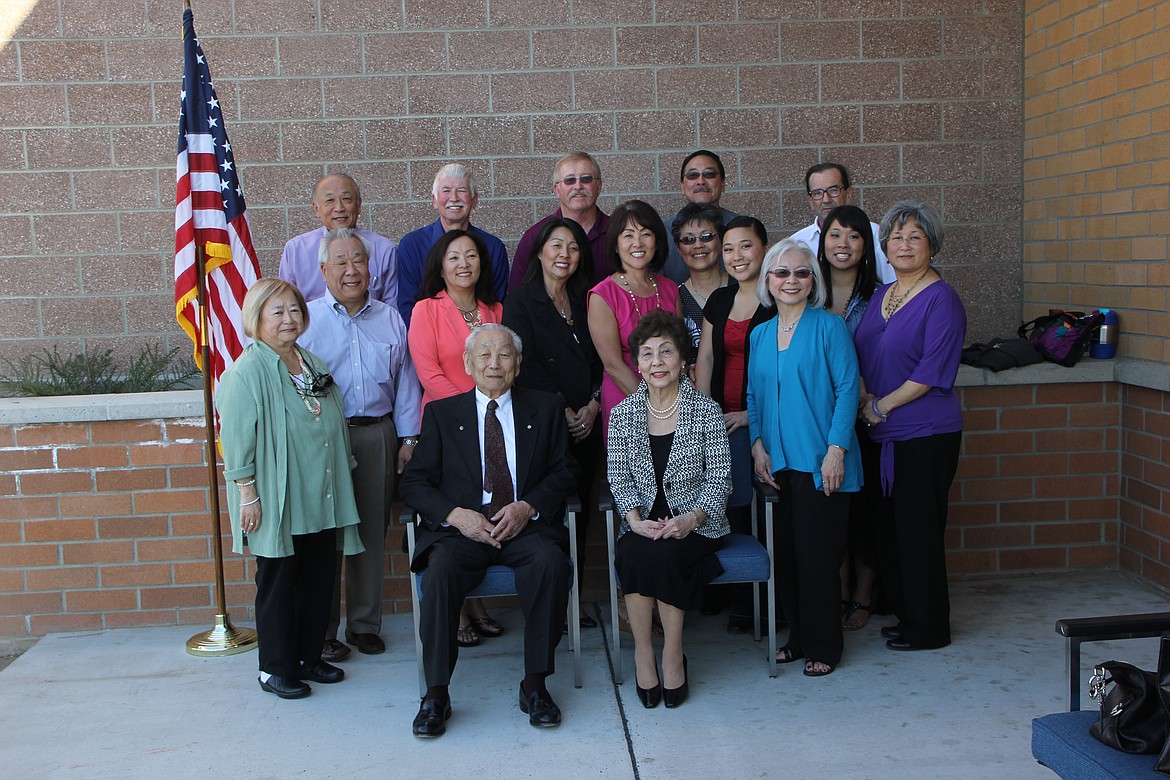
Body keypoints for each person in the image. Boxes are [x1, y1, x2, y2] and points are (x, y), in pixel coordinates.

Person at [399, 324, 578, 737]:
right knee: (441, 572)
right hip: (465, 531)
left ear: (517, 364)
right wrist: (455, 515)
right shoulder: (444, 414)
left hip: (524, 527)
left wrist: (528, 506)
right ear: (468, 363)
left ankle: (535, 685)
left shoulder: (545, 408)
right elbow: (415, 482)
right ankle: (436, 694)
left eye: (504, 355)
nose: (494, 363)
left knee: (551, 565)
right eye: (484, 355)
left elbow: (566, 469)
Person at [216, 278, 363, 699]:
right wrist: (248, 496)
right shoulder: (246, 374)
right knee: (280, 581)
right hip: (277, 500)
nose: (288, 319)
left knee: (319, 578)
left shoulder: (310, 362)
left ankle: (309, 656)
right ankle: (275, 667)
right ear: (256, 318)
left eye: (294, 310)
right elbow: (238, 443)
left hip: (321, 494)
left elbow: (330, 420)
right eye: (277, 311)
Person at [299, 228, 422, 662]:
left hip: (378, 435)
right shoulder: (307, 320)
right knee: (328, 534)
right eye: (341, 263)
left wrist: (409, 437)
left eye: (359, 261)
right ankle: (325, 629)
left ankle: (365, 625)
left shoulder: (390, 317)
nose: (352, 271)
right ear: (323, 270)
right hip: (324, 440)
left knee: (370, 531)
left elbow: (407, 382)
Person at [855, 201, 966, 652]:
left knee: (919, 532)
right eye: (897, 237)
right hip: (881, 433)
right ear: (885, 247)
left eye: (915, 237)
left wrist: (879, 406)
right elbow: (861, 352)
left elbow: (929, 371)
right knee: (891, 532)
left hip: (925, 433)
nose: (904, 244)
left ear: (931, 245)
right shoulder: (883, 294)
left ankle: (930, 628)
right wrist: (864, 398)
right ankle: (907, 615)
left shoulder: (942, 299)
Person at [748, 239, 862, 677]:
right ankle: (797, 638)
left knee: (818, 559)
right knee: (788, 557)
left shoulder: (829, 327)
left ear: (812, 281)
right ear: (768, 282)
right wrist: (757, 443)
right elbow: (754, 395)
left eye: (800, 273)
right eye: (781, 273)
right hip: (778, 465)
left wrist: (836, 451)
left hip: (820, 464)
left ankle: (824, 646)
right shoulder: (761, 333)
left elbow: (848, 389)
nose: (790, 280)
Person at [608, 310, 731, 708]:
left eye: (666, 351)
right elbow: (619, 479)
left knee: (666, 552)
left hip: (698, 524)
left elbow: (719, 482)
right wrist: (634, 521)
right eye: (647, 354)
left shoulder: (706, 411)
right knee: (634, 548)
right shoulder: (623, 415)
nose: (657, 362)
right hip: (643, 524)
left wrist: (690, 519)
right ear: (638, 364)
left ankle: (672, 653)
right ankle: (644, 652)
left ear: (682, 359)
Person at [407, 228, 505, 646]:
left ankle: (475, 599)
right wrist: (471, 407)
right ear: (441, 267)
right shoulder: (426, 310)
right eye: (454, 257)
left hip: (493, 423)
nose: (464, 264)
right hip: (447, 427)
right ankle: (463, 607)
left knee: (485, 500)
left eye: (471, 256)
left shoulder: (495, 310)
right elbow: (427, 372)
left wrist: (489, 408)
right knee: (457, 508)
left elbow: (503, 365)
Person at [503, 218, 603, 627]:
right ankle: (548, 604)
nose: (564, 254)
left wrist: (594, 404)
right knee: (549, 512)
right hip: (545, 427)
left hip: (590, 424)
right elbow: (527, 365)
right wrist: (564, 410)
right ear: (540, 251)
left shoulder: (587, 300)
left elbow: (603, 356)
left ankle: (573, 598)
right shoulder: (521, 301)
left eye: (573, 247)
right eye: (556, 246)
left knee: (581, 513)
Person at [694, 215, 775, 631]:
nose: (736, 256)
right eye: (728, 248)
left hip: (759, 422)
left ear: (764, 248)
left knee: (750, 508)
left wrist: (749, 415)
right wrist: (706, 412)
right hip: (718, 420)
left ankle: (754, 605)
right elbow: (705, 357)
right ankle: (722, 595)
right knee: (717, 505)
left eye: (746, 246)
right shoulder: (719, 301)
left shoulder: (778, 297)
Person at [815, 204, 882, 631]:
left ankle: (863, 595)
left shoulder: (880, 298)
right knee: (830, 510)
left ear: (866, 245)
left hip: (869, 417)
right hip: (822, 418)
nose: (843, 244)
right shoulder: (809, 291)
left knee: (868, 511)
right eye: (835, 235)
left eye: (853, 236)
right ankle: (836, 591)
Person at [587, 199, 681, 441]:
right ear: (616, 245)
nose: (637, 243)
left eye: (646, 234)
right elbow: (613, 365)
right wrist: (655, 405)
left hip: (675, 398)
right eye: (628, 235)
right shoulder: (603, 295)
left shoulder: (670, 288)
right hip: (627, 399)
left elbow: (680, 350)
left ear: (657, 241)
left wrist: (674, 402)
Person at [397, 163, 509, 327]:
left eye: (462, 191)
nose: (454, 198)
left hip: (482, 342)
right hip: (428, 341)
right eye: (446, 190)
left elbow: (496, 305)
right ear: (434, 200)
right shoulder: (412, 245)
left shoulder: (493, 247)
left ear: (474, 200)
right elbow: (407, 309)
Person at [278, 173, 398, 305]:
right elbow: (286, 305)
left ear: (359, 205)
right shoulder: (295, 250)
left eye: (346, 199)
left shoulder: (384, 249)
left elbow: (392, 310)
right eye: (330, 201)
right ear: (316, 209)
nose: (339, 208)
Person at [508, 152, 613, 289]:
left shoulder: (618, 233)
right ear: (557, 189)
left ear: (599, 186)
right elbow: (517, 296)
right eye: (570, 180)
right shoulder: (535, 237)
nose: (578, 186)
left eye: (586, 179)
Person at [661, 150, 739, 284]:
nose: (701, 181)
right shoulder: (662, 233)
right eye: (692, 175)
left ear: (723, 183)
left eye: (709, 174)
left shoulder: (740, 227)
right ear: (682, 187)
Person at [672, 202, 728, 358]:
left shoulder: (741, 288)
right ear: (679, 248)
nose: (698, 245)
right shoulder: (676, 299)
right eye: (688, 239)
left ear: (720, 241)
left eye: (706, 237)